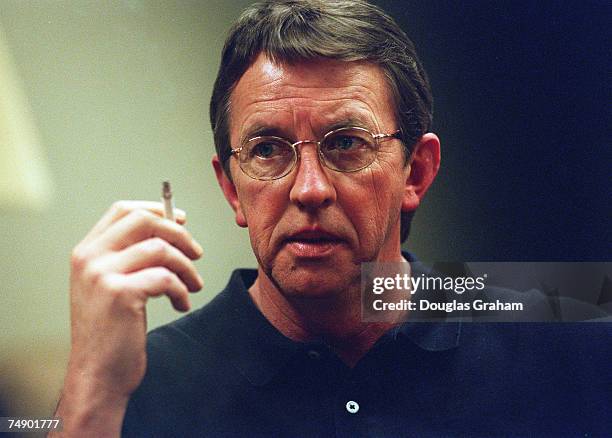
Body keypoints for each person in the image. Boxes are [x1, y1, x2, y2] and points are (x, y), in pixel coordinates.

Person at [53, 1, 611, 437]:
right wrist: (90, 394)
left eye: (346, 143)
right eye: (268, 149)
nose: (310, 189)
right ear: (231, 189)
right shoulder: (142, 382)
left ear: (416, 172)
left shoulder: (563, 314)